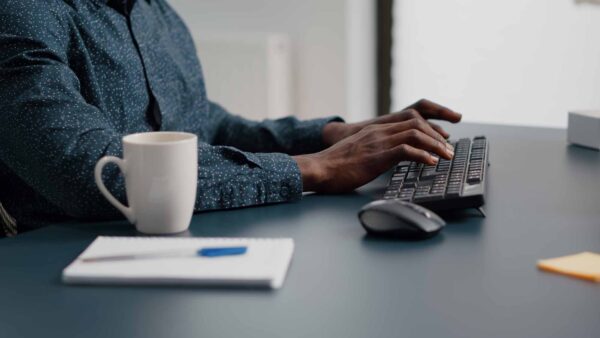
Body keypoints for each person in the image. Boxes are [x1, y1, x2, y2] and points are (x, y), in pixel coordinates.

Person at [0, 0, 460, 237]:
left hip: (164, 249)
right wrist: (316, 168)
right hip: (60, 266)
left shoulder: (153, 14)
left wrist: (330, 135)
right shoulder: (21, 15)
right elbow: (91, 172)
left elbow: (202, 125)